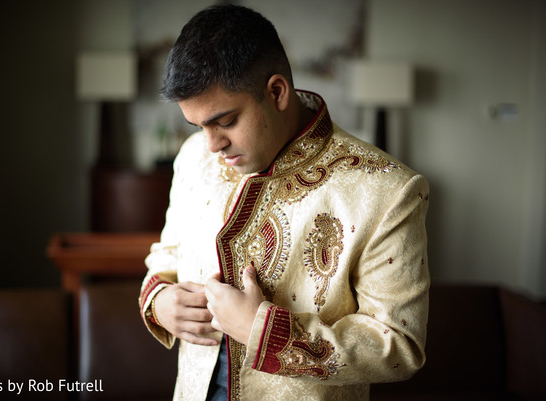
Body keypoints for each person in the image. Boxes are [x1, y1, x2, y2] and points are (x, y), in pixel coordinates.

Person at [139, 5, 430, 401]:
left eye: (225, 121)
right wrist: (160, 300)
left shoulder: (389, 191)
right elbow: (167, 253)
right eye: (198, 126)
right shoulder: (194, 156)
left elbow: (399, 346)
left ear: (277, 92)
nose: (211, 144)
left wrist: (262, 332)